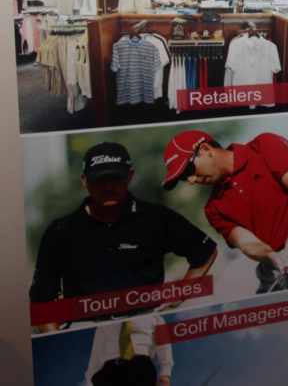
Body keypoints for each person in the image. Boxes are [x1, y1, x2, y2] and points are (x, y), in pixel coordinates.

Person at [30, 142, 217, 332]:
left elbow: (205, 250)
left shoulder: (156, 218)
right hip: (85, 331)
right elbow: (40, 301)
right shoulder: (61, 231)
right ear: (84, 180)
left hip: (145, 325)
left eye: (115, 178)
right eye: (99, 180)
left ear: (130, 176)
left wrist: (181, 293)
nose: (108, 187)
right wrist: (60, 341)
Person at [162, 130, 288, 293]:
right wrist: (272, 256)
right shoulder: (213, 209)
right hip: (276, 266)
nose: (191, 180)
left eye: (189, 170)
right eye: (184, 178)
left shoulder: (264, 146)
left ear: (206, 149)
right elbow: (247, 243)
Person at [84, 314, 172, 386]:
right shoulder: (105, 321)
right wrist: (89, 383)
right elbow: (96, 353)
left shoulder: (153, 316)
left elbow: (164, 345)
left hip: (141, 368)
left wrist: (165, 372)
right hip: (112, 369)